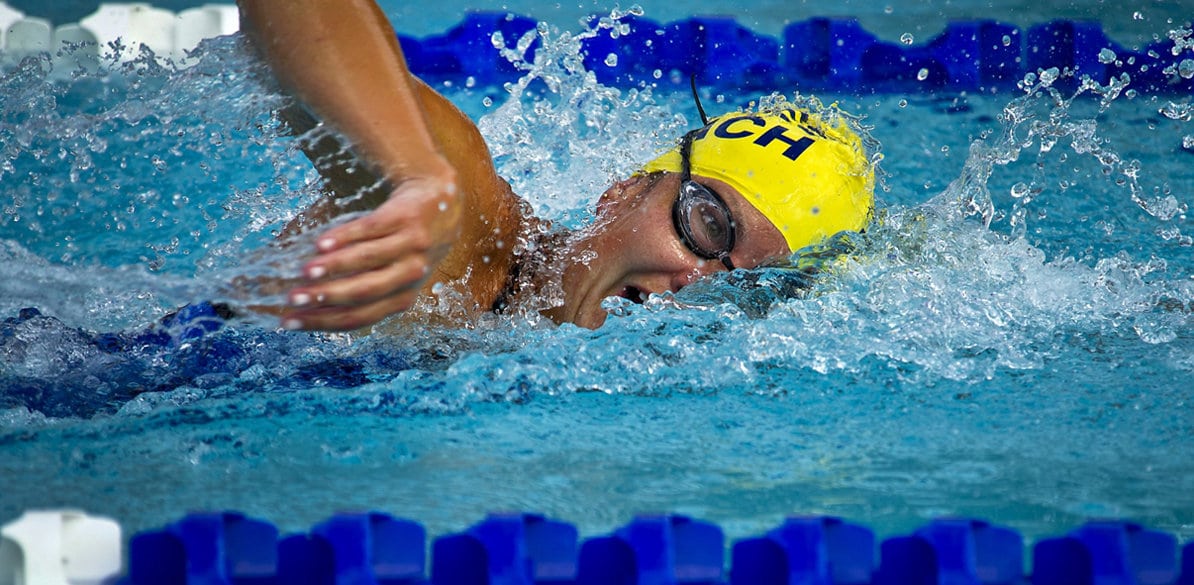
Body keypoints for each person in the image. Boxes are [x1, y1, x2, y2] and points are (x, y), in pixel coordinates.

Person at [235, 0, 875, 332]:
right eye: (709, 225)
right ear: (623, 192)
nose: (699, 283)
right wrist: (412, 175)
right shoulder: (464, 228)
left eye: (747, 287)